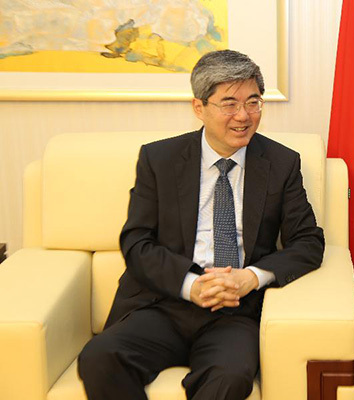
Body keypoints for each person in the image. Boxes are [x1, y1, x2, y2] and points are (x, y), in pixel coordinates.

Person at [77, 49, 325, 400]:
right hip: (165, 302)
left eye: (253, 102)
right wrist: (190, 284)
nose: (244, 116)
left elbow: (308, 242)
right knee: (100, 356)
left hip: (235, 310)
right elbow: (137, 241)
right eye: (229, 104)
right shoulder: (159, 159)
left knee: (230, 376)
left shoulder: (281, 163)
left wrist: (251, 277)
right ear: (199, 107)